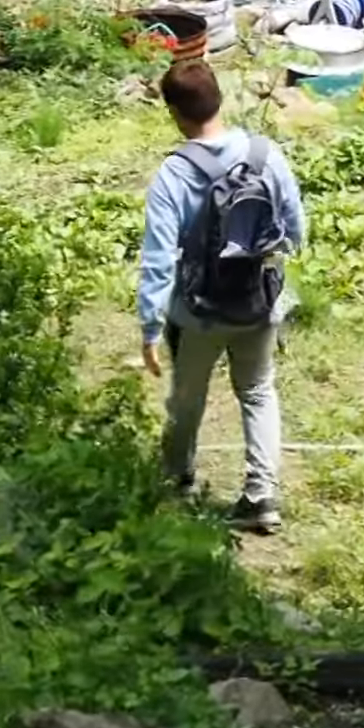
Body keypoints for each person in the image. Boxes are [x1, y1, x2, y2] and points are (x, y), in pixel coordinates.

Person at [137, 60, 306, 534]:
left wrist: (150, 327)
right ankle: (261, 497)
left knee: (188, 398)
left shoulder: (174, 173)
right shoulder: (264, 154)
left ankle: (178, 479)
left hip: (197, 313)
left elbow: (157, 257)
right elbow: (295, 226)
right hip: (258, 301)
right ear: (219, 99)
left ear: (174, 112)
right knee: (257, 390)